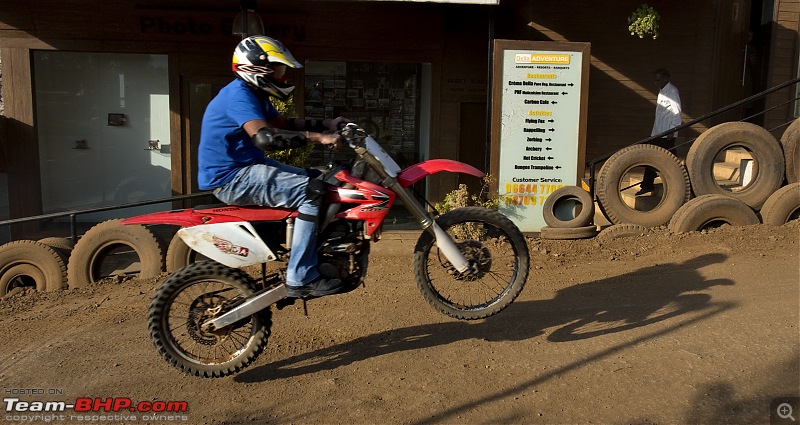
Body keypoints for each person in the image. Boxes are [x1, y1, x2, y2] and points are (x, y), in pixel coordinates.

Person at [197, 35, 347, 298]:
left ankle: (308, 245)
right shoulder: (238, 95)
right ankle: (300, 276)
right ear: (255, 69)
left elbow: (284, 124)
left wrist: (326, 123)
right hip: (231, 177)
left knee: (318, 178)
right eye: (276, 69)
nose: (281, 75)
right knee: (311, 191)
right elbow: (265, 137)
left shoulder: (253, 94)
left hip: (245, 166)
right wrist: (319, 138)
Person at [637, 68, 682, 196]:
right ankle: (647, 184)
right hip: (658, 132)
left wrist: (672, 130)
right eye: (655, 80)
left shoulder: (672, 91)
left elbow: (677, 112)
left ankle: (650, 184)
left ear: (666, 78)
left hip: (666, 134)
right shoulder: (662, 92)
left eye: (658, 80)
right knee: (652, 157)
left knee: (670, 159)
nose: (655, 82)